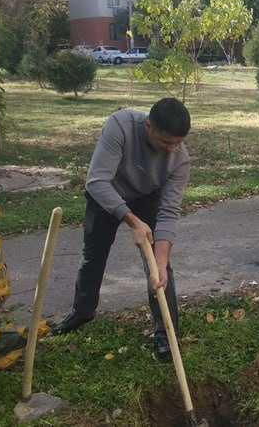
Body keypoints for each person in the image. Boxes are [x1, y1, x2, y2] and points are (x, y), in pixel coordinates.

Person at [52, 98, 191, 361]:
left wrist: (160, 261)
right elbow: (96, 181)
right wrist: (133, 221)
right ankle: (82, 312)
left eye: (178, 143)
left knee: (160, 267)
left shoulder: (180, 160)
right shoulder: (121, 125)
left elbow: (169, 213)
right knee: (94, 255)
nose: (172, 149)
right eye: (166, 142)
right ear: (149, 126)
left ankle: (166, 333)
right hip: (106, 195)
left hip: (146, 196)